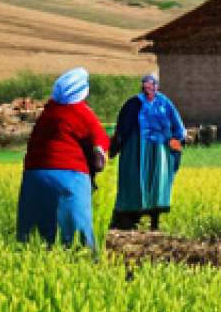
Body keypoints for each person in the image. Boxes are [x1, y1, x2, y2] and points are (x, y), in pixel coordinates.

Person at [16, 67, 110, 249]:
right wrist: (97, 163)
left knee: (37, 230)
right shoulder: (81, 111)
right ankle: (83, 259)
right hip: (69, 174)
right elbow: (99, 145)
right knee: (76, 229)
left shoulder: (47, 113)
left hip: (33, 174)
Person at [110, 73, 186, 232]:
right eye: (146, 87)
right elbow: (123, 128)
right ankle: (131, 217)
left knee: (157, 182)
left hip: (160, 151)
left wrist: (177, 146)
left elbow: (177, 127)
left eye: (152, 87)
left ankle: (154, 221)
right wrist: (115, 146)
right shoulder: (133, 104)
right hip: (136, 150)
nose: (149, 90)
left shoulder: (164, 103)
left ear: (157, 87)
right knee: (136, 181)